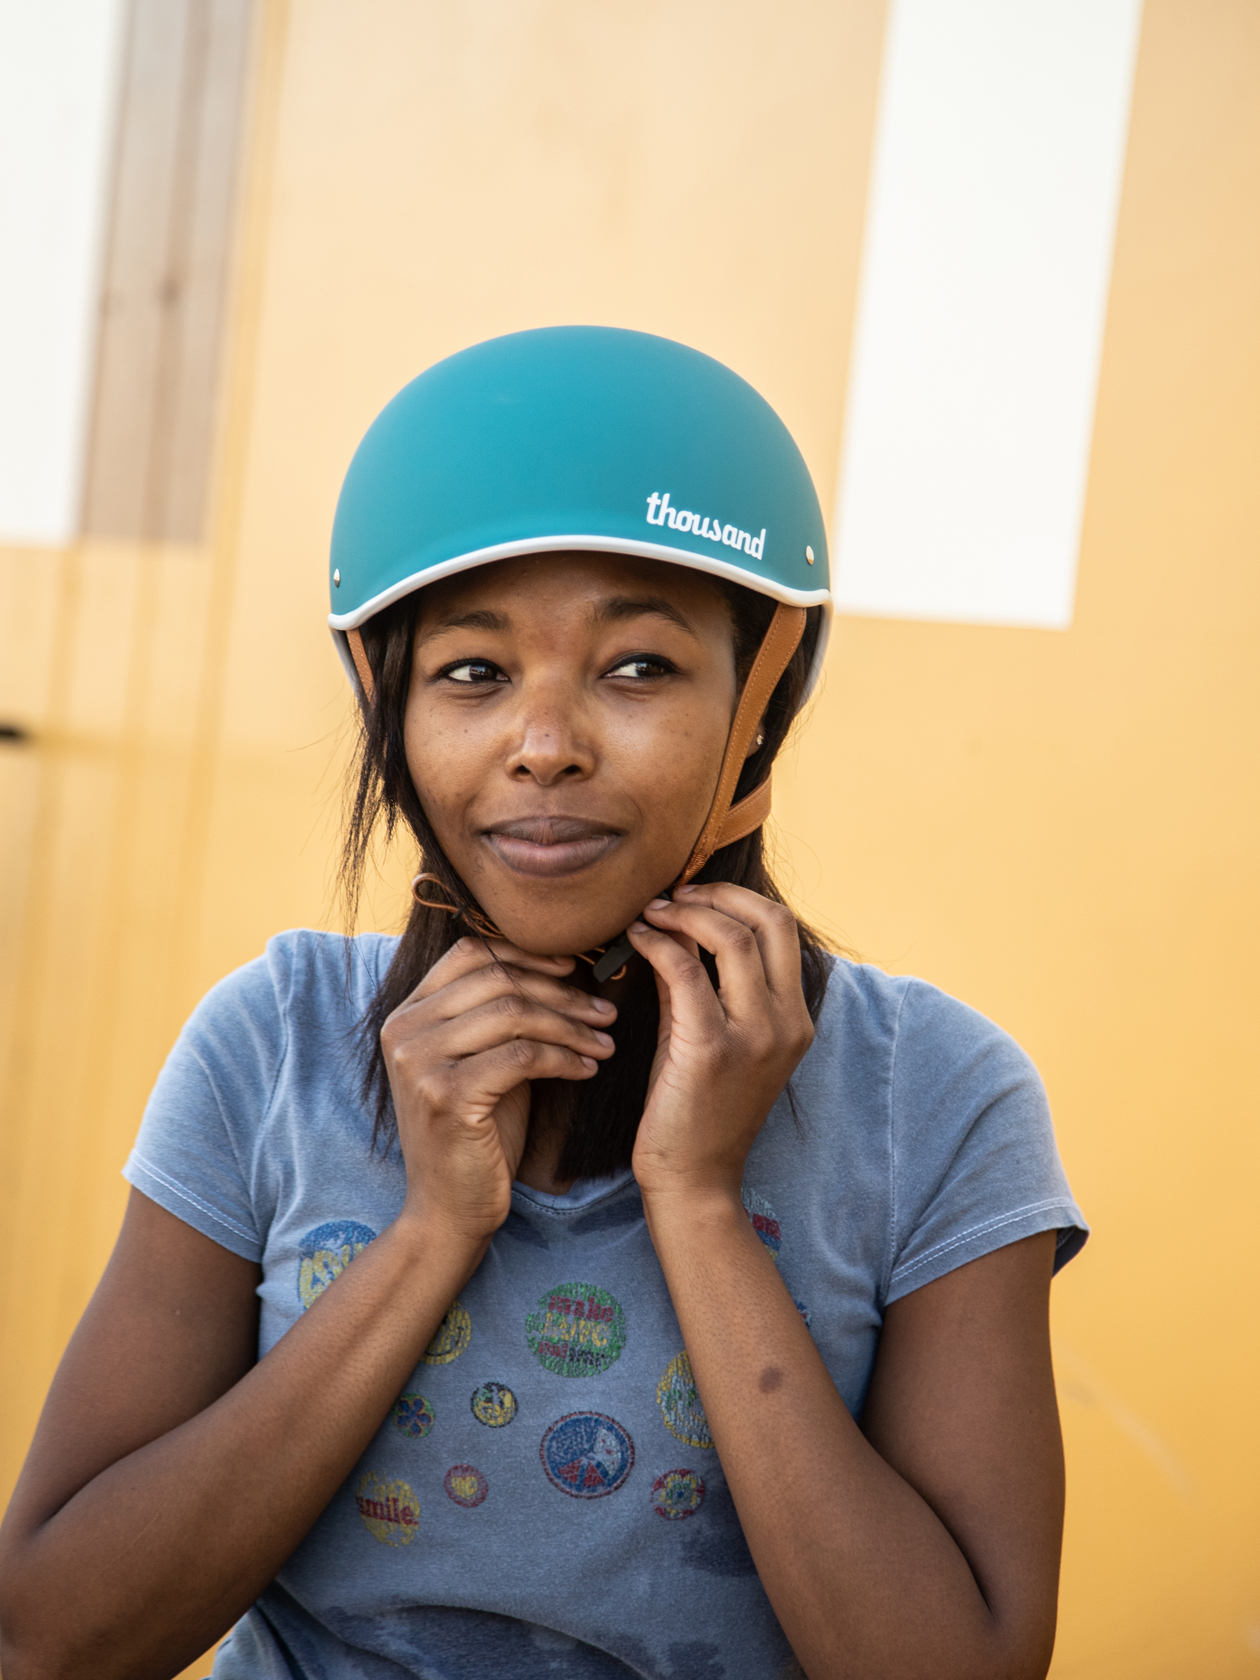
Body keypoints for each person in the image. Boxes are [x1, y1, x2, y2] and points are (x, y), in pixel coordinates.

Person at [0, 327, 1087, 1680]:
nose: (546, 744)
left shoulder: (936, 1095)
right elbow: (50, 1637)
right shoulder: (267, 1043)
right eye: (472, 672)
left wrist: (698, 1201)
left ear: (762, 696)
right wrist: (434, 1229)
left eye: (638, 667)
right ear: (381, 702)